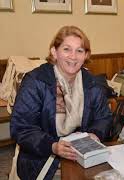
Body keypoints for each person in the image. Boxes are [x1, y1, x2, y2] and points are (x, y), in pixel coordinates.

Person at [10, 26, 113, 179]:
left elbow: (104, 118)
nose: (73, 56)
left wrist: (95, 134)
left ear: (86, 55)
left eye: (79, 51)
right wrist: (53, 146)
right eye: (66, 49)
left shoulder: (92, 83)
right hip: (43, 160)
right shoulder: (35, 82)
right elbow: (22, 128)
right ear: (54, 52)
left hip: (83, 158)